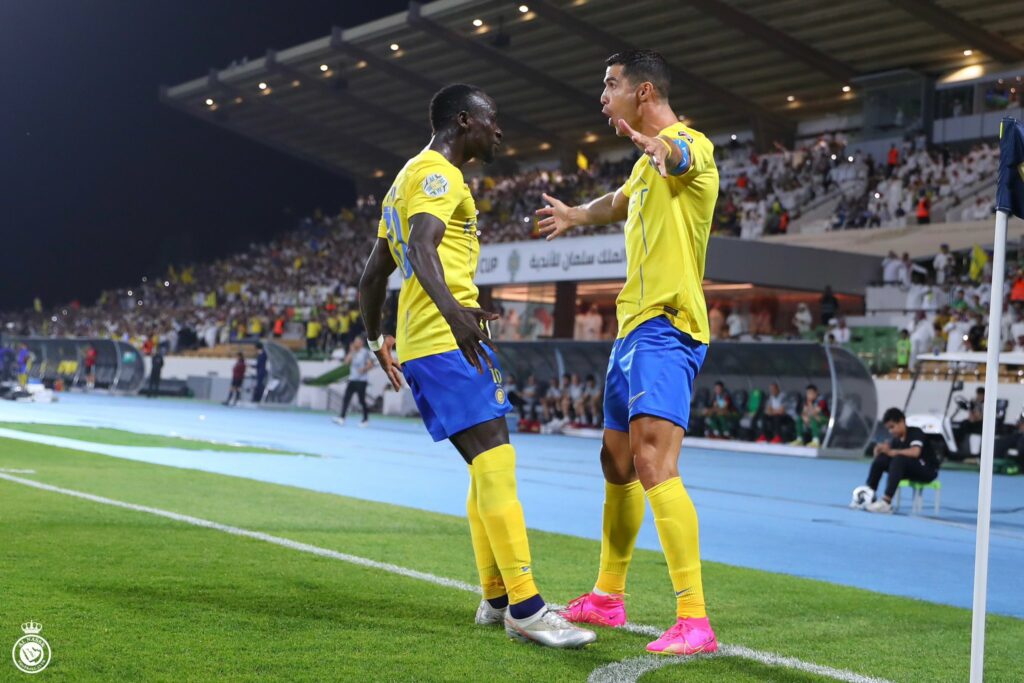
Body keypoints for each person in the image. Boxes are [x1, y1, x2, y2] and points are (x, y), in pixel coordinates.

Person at [357, 83, 594, 648]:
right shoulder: (440, 175)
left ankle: (495, 596)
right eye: (493, 121)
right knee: (497, 464)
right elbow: (421, 247)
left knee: (486, 467)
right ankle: (527, 609)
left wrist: (375, 342)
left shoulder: (404, 179)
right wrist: (456, 316)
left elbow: (372, 276)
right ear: (465, 122)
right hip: (446, 340)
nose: (499, 131)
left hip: (431, 341)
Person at [536, 49, 719, 655]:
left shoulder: (691, 146)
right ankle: (608, 597)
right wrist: (573, 215)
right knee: (615, 463)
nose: (602, 94)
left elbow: (682, 158)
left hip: (667, 326)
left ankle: (694, 619)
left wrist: (664, 148)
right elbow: (615, 202)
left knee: (652, 463)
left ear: (643, 92)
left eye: (610, 84)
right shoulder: (642, 169)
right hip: (631, 330)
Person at [857, 407, 939, 514]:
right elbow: (887, 456)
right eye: (888, 429)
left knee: (899, 458)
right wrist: (879, 452)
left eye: (892, 427)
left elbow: (915, 452)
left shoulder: (916, 432)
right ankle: (869, 494)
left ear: (901, 421)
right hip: (910, 468)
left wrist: (892, 452)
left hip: (927, 469)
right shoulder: (896, 439)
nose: (891, 431)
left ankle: (886, 502)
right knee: (882, 459)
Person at [334, 337, 373, 427]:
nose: (355, 343)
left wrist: (364, 369)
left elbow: (370, 364)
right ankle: (342, 417)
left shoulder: (365, 352)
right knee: (346, 398)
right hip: (352, 379)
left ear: (361, 343)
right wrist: (351, 351)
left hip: (361, 380)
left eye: (357, 342)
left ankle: (365, 419)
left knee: (361, 400)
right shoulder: (353, 352)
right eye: (355, 342)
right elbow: (346, 362)